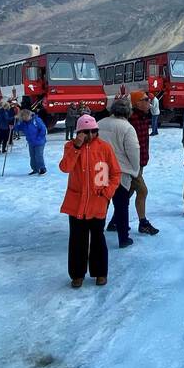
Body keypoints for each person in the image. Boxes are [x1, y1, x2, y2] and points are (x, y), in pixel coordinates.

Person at [60, 114, 121, 288]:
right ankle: (77, 274)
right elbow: (65, 167)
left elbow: (115, 173)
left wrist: (107, 192)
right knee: (77, 240)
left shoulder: (105, 148)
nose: (90, 135)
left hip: (98, 201)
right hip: (76, 203)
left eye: (93, 131)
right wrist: (76, 147)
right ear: (79, 132)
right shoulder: (70, 147)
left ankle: (100, 272)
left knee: (98, 239)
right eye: (85, 132)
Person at [100, 97, 141, 249]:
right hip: (120, 172)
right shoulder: (127, 128)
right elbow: (133, 151)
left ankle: (98, 233)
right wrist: (135, 170)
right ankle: (123, 237)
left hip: (101, 170)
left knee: (102, 203)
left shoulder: (100, 123)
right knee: (122, 205)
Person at [127, 91, 159, 235]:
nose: (148, 101)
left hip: (140, 162)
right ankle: (143, 223)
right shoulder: (131, 119)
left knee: (128, 192)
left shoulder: (144, 117)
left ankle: (115, 220)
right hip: (132, 164)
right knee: (142, 191)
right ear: (136, 103)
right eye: (145, 99)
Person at [12, 108, 48, 175]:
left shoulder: (36, 120)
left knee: (38, 155)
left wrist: (39, 138)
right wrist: (14, 126)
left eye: (26, 116)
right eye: (23, 117)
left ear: (29, 115)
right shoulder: (23, 123)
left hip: (39, 142)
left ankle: (42, 168)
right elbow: (18, 128)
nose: (25, 118)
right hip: (31, 142)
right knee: (32, 156)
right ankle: (35, 169)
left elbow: (43, 129)